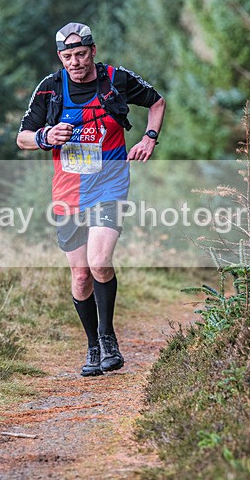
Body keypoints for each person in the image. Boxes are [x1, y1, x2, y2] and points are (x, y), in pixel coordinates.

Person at [16, 22, 166, 377]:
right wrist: (46, 134)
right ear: (60, 57)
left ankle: (108, 336)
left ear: (93, 51)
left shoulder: (117, 79)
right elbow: (21, 138)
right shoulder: (50, 89)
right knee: (81, 275)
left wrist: (148, 139)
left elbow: (157, 102)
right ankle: (92, 346)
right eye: (68, 57)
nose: (75, 62)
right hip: (68, 191)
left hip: (110, 184)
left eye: (81, 54)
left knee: (100, 262)